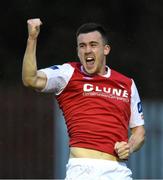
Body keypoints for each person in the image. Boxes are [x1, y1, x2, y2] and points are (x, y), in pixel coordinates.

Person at [22, 18, 145, 180]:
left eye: (93, 45)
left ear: (106, 49)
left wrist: (129, 146)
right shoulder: (68, 73)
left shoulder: (127, 84)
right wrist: (32, 39)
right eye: (82, 46)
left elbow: (139, 131)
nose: (87, 50)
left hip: (119, 171)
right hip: (82, 171)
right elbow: (30, 79)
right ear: (78, 51)